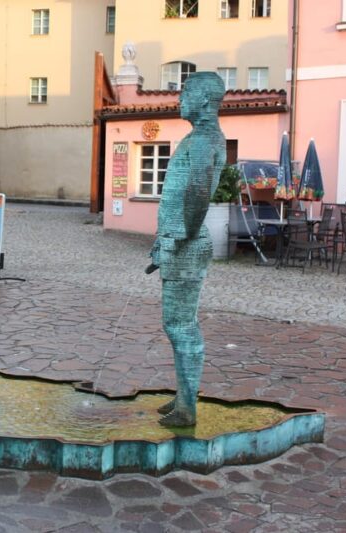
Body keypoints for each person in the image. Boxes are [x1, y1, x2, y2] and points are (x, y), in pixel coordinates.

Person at [149, 72, 226, 426]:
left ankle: (187, 409)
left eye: (186, 93)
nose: (179, 99)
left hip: (187, 243)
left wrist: (183, 234)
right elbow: (184, 193)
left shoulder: (204, 140)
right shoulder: (201, 137)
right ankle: (183, 397)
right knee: (178, 324)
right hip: (180, 241)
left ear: (205, 100)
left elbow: (197, 189)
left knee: (180, 325)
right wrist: (161, 242)